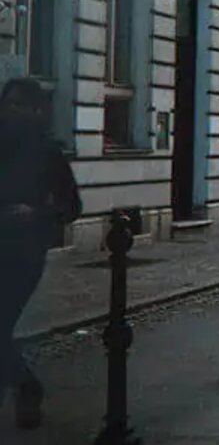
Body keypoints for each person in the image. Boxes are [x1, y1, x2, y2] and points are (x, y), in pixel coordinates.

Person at [0, 78, 82, 430]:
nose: (12, 110)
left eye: (20, 104)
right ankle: (26, 386)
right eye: (8, 103)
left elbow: (72, 206)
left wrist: (35, 214)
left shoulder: (49, 153)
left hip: (24, 252)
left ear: (37, 110)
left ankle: (26, 387)